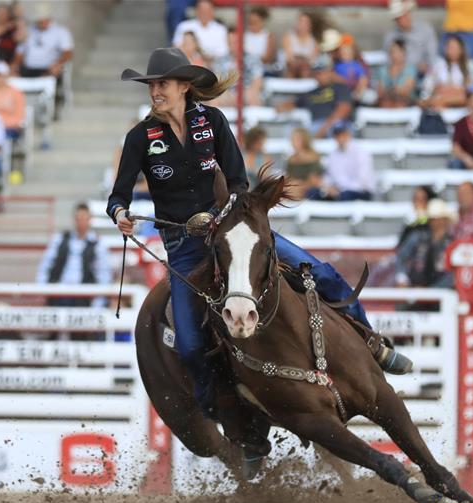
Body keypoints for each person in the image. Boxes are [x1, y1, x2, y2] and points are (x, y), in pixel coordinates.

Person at [108, 48, 412, 432]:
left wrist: (229, 219)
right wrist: (120, 214)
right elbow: (118, 196)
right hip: (185, 247)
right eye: (151, 85)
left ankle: (373, 345)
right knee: (190, 345)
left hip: (233, 234)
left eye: (162, 84)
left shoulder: (212, 122)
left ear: (184, 86)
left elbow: (238, 180)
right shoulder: (140, 137)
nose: (155, 91)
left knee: (322, 273)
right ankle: (229, 418)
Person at [36, 203, 111, 307]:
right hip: (59, 294)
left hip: (84, 298)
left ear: (90, 220)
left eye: (84, 218)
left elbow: (103, 275)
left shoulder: (97, 244)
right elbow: (45, 265)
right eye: (78, 218)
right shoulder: (59, 239)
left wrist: (98, 304)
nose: (81, 222)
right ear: (74, 220)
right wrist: (42, 291)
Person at [277, 55, 352, 139]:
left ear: (330, 72)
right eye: (317, 72)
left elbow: (343, 110)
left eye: (323, 71)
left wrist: (324, 128)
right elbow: (296, 103)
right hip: (315, 125)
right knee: (294, 132)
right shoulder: (311, 92)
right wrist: (283, 106)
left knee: (339, 130)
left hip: (335, 125)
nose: (320, 75)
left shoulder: (340, 88)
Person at [395, 198, 455, 288]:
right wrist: (402, 278)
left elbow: (453, 274)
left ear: (445, 221)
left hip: (441, 292)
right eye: (433, 219)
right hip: (414, 287)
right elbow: (401, 257)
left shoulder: (452, 243)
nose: (437, 223)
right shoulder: (418, 237)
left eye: (439, 219)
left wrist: (431, 290)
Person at [421, 34, 473, 109]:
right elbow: (427, 85)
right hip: (441, 98)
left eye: (455, 48)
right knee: (434, 101)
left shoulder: (470, 65)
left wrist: (458, 90)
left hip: (462, 99)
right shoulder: (438, 64)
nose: (453, 51)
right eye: (450, 47)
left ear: (461, 49)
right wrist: (437, 89)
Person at [320, 121, 376, 201]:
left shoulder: (360, 152)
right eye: (337, 135)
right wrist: (328, 188)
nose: (340, 138)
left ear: (349, 134)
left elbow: (362, 182)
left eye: (343, 134)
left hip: (361, 192)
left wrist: (339, 190)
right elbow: (329, 176)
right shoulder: (333, 155)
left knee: (345, 196)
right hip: (341, 191)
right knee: (317, 193)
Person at [14, 3, 73, 79]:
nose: (41, 22)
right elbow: (19, 52)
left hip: (49, 69)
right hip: (28, 69)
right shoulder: (29, 30)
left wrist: (58, 63)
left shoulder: (61, 31)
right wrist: (15, 65)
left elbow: (67, 53)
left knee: (55, 71)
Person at [383, 0, 436, 77]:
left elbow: (432, 56)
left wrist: (427, 66)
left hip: (423, 75)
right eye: (399, 17)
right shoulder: (390, 37)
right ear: (395, 20)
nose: (404, 19)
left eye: (405, 14)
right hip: (401, 76)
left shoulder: (425, 29)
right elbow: (388, 61)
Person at [171, 0, 228, 65]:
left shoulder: (221, 29)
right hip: (188, 64)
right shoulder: (184, 26)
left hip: (214, 65)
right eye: (202, 10)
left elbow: (223, 53)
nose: (204, 13)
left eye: (207, 10)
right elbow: (176, 49)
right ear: (196, 11)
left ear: (213, 11)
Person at [374, 39, 417, 108]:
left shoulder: (410, 69)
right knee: (386, 103)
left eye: (396, 52)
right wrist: (395, 91)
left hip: (404, 102)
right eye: (391, 52)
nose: (393, 55)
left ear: (403, 53)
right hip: (386, 101)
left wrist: (391, 91)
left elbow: (406, 91)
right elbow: (380, 91)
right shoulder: (383, 70)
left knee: (399, 104)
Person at [285, 127, 324, 199]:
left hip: (309, 190)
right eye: (292, 139)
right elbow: (288, 178)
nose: (293, 142)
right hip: (294, 188)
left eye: (296, 139)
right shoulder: (291, 159)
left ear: (304, 140)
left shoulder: (313, 157)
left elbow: (315, 181)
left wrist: (299, 185)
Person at [282, 11, 320, 78]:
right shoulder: (288, 37)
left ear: (310, 25)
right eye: (300, 21)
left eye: (305, 22)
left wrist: (301, 61)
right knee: (292, 69)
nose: (301, 24)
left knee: (305, 70)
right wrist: (300, 61)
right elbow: (289, 58)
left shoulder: (315, 41)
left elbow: (312, 60)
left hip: (306, 69)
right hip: (292, 68)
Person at [333, 34, 368, 103]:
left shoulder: (357, 65)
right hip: (342, 91)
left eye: (347, 50)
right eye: (342, 50)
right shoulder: (337, 66)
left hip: (355, 90)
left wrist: (359, 90)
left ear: (353, 51)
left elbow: (363, 79)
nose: (345, 52)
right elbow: (335, 78)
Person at [244, 6, 277, 74]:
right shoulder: (244, 35)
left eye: (255, 21)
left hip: (262, 69)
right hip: (246, 68)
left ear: (262, 21)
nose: (252, 24)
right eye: (250, 22)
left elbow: (267, 58)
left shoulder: (268, 36)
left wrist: (251, 59)